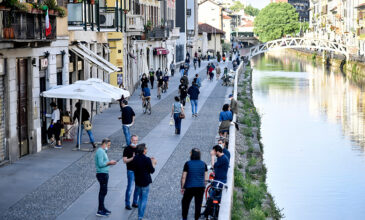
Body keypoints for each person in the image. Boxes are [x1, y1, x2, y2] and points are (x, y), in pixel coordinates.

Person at [181, 148, 208, 220]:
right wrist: (204, 186)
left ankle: (184, 218)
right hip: (200, 187)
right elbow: (205, 178)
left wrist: (182, 187)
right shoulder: (204, 164)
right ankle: (196, 218)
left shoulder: (187, 164)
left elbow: (184, 177)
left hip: (189, 187)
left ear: (191, 155)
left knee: (185, 202)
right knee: (198, 204)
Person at [133, 144, 157, 220]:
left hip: (137, 181)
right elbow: (152, 171)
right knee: (144, 199)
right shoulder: (147, 159)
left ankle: (139, 215)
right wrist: (153, 163)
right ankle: (140, 216)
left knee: (140, 198)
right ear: (144, 150)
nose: (147, 149)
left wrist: (149, 160)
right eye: (146, 148)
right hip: (145, 182)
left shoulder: (135, 158)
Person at [95, 138, 117, 217]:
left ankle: (102, 208)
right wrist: (109, 162)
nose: (109, 146)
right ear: (104, 144)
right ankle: (100, 210)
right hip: (102, 174)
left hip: (103, 173)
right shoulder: (100, 151)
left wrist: (109, 162)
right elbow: (100, 164)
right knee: (102, 192)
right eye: (108, 145)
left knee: (104, 192)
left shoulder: (103, 151)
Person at [123, 135, 139, 210]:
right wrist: (132, 158)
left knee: (137, 187)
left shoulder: (139, 148)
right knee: (130, 187)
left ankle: (135, 202)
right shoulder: (127, 149)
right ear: (131, 140)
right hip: (130, 171)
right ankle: (127, 203)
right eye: (134, 140)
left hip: (138, 171)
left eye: (136, 140)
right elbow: (124, 160)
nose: (135, 142)